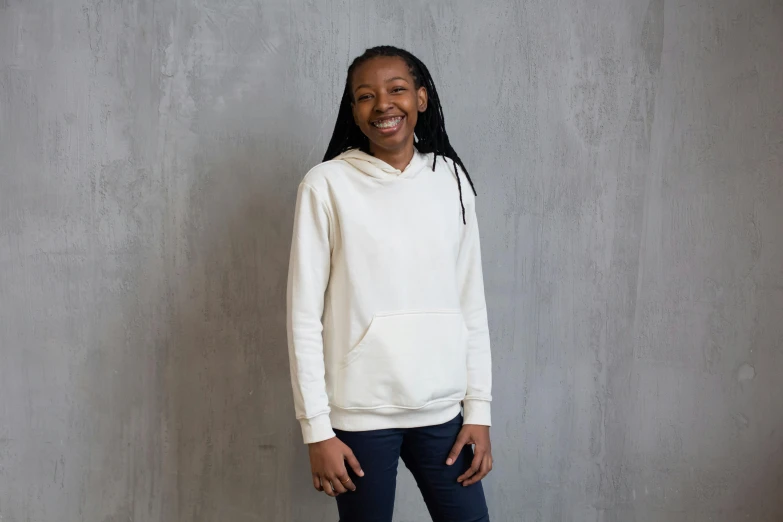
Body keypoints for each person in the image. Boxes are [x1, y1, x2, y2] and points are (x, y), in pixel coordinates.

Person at [286, 45, 493, 522]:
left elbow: (471, 306)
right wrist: (317, 430)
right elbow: (302, 316)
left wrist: (477, 410)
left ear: (421, 98)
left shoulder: (452, 180)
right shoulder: (326, 185)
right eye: (365, 96)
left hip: (443, 414)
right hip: (359, 419)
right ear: (353, 110)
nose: (383, 104)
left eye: (397, 89)